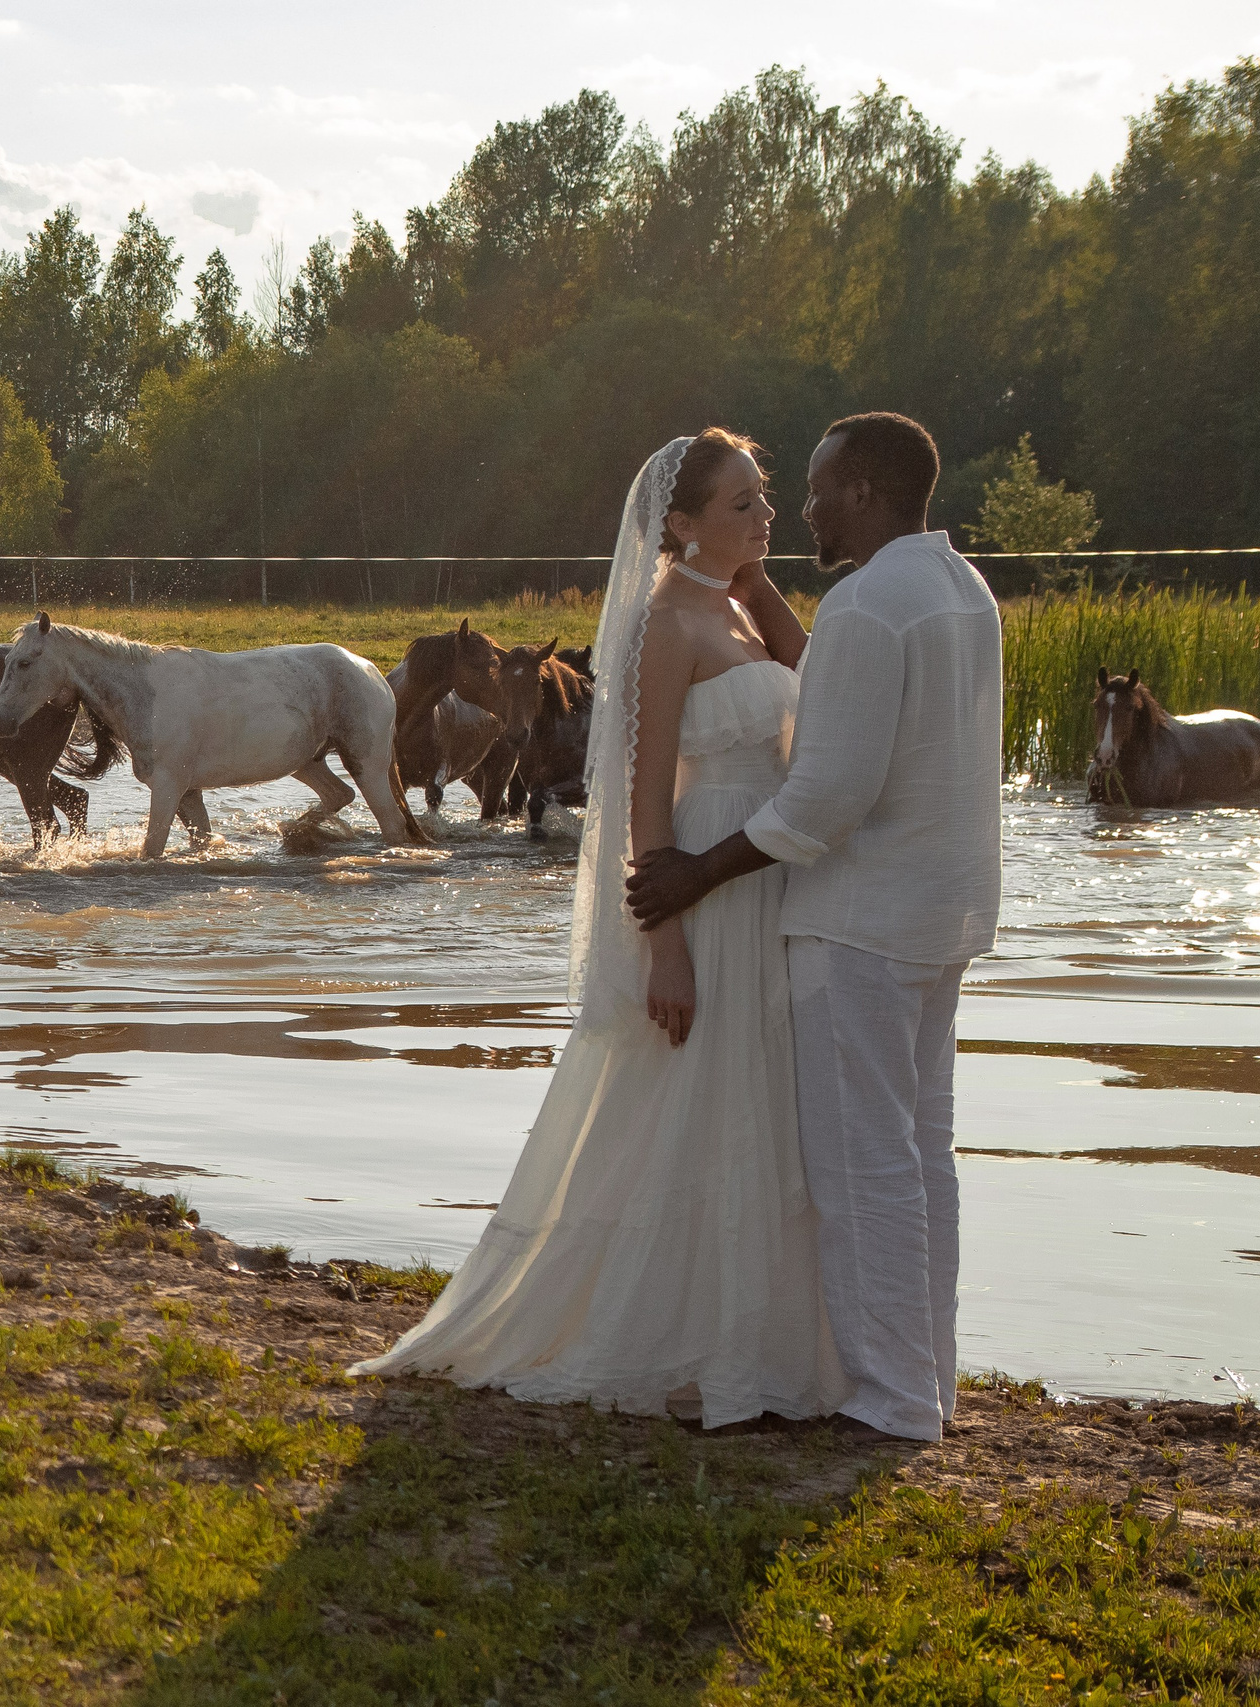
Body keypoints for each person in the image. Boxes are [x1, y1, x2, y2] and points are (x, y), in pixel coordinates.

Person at [350, 429, 846, 1428]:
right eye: (743, 503)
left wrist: (753, 579)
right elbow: (641, 789)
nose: (768, 516)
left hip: (761, 874)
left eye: (764, 498)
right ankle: (656, 1327)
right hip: (701, 869)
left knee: (752, 1092)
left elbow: (821, 681)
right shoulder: (668, 624)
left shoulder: (737, 609)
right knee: (690, 1087)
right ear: (679, 523)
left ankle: (751, 1327)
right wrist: (661, 940)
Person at [626, 412, 1001, 1444]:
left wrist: (694, 874)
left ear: (868, 494)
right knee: (921, 1154)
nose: (802, 509)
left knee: (860, 1165)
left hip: (861, 921)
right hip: (940, 914)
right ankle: (926, 1381)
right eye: (759, 499)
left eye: (821, 488)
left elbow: (822, 799)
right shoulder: (956, 587)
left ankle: (888, 1400)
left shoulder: (867, 607)